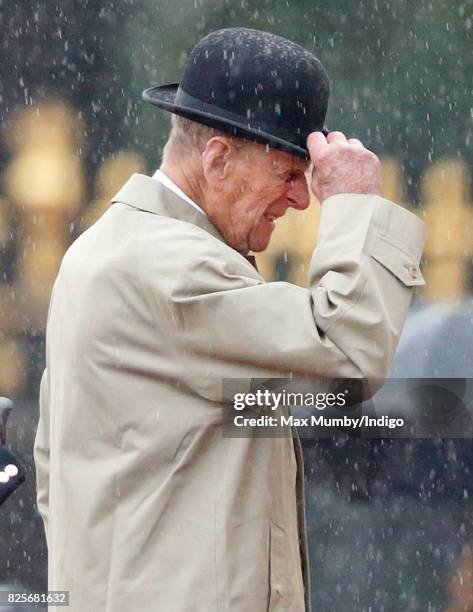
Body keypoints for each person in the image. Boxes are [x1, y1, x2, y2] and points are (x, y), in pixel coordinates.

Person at [33, 27, 426, 612]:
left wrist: (425, 415)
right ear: (217, 158)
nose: (301, 200)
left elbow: (286, 399)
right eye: (290, 174)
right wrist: (356, 206)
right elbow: (347, 351)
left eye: (310, 181)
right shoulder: (168, 264)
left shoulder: (120, 247)